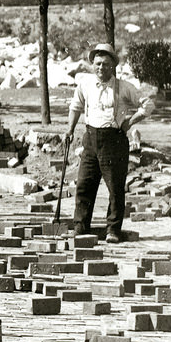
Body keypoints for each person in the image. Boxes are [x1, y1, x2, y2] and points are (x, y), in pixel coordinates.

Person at [66, 42, 154, 243]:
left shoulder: (123, 88)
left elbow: (148, 105)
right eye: (97, 64)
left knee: (115, 188)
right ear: (92, 64)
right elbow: (75, 106)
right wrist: (69, 130)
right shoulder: (85, 84)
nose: (100, 68)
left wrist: (130, 122)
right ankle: (80, 227)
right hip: (90, 139)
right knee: (84, 185)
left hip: (114, 141)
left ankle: (113, 230)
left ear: (112, 66)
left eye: (105, 64)